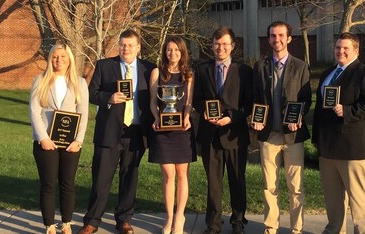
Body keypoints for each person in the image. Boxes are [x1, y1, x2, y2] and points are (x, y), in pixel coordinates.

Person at [78, 29, 156, 234]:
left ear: (138, 47)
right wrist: (109, 98)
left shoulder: (149, 69)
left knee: (129, 177)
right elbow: (92, 93)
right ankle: (92, 221)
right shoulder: (105, 66)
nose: (125, 49)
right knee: (101, 178)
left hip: (136, 132)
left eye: (130, 45)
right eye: (122, 45)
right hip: (109, 131)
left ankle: (124, 220)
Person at [312, 32, 365, 234]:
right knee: (333, 199)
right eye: (337, 48)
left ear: (355, 50)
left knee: (359, 201)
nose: (340, 51)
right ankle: (334, 230)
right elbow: (319, 109)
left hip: (354, 149)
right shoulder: (327, 73)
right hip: (328, 148)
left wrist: (348, 111)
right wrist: (317, 138)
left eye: (345, 48)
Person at [252, 21, 312, 234]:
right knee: (270, 186)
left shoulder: (301, 66)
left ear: (288, 38)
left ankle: (297, 229)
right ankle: (271, 227)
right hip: (268, 136)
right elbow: (255, 99)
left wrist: (300, 115)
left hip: (293, 135)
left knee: (295, 187)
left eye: (280, 35)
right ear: (268, 39)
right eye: (272, 35)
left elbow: (306, 99)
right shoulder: (260, 67)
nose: (276, 39)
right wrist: (255, 117)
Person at [193, 26, 253, 234]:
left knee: (237, 181)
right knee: (214, 184)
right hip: (210, 135)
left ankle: (238, 222)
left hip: (235, 134)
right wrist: (204, 112)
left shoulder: (244, 71)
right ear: (212, 45)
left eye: (225, 44)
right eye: (217, 44)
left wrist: (231, 118)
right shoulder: (201, 70)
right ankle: (213, 224)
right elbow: (197, 100)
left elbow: (249, 103)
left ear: (233, 46)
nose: (221, 48)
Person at [29, 42, 89, 234]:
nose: (59, 60)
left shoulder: (79, 82)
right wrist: (43, 138)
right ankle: (49, 226)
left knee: (68, 184)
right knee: (48, 185)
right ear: (50, 59)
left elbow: (84, 113)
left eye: (63, 56)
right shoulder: (40, 80)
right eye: (55, 56)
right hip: (46, 143)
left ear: (69, 58)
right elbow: (34, 111)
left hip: (70, 144)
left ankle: (66, 223)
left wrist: (78, 140)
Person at [148, 36, 196, 234]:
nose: (172, 53)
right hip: (163, 129)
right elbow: (152, 101)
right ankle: (169, 218)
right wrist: (157, 117)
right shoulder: (157, 72)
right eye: (169, 50)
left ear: (182, 52)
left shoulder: (188, 74)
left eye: (176, 50)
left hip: (182, 132)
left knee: (182, 173)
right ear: (165, 52)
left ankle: (180, 217)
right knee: (168, 174)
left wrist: (186, 117)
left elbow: (189, 102)